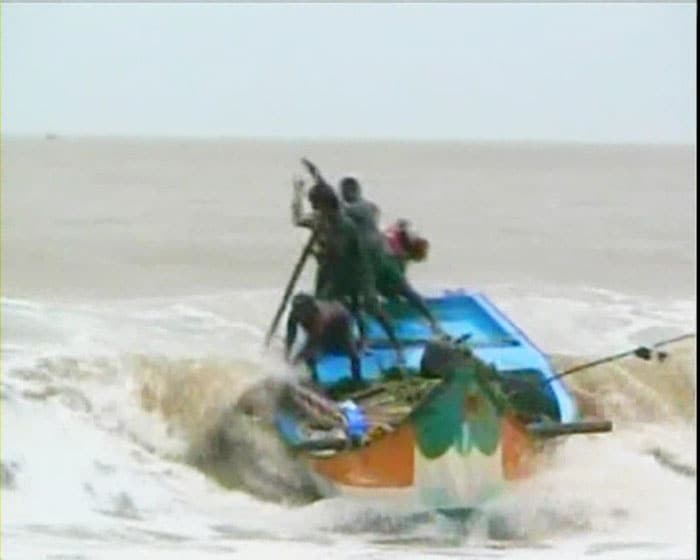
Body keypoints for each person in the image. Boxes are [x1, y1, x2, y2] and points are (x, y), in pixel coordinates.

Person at [285, 292, 362, 382]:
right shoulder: (294, 314)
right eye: (297, 310)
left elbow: (312, 343)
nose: (299, 314)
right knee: (308, 356)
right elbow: (290, 335)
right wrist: (286, 355)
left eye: (301, 311)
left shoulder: (320, 316)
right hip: (320, 325)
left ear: (310, 309)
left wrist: (294, 363)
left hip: (341, 320)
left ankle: (357, 379)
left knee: (351, 351)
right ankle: (314, 379)